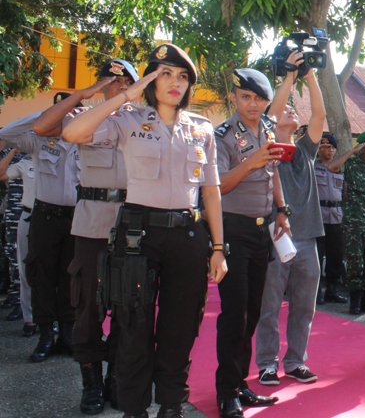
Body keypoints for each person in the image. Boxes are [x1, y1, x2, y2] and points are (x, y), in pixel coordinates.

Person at [62, 43, 228, 418]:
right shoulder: (127, 120)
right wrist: (126, 94)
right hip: (137, 234)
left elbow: (211, 191)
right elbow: (73, 133)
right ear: (151, 79)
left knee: (180, 327)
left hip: (187, 235)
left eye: (183, 76)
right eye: (165, 73)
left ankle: (171, 406)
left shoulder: (200, 128)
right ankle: (134, 409)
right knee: (133, 328)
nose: (175, 83)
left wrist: (218, 247)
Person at [32, 59, 139, 414]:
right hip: (92, 227)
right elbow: (42, 126)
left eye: (126, 81)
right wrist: (85, 94)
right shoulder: (83, 120)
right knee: (88, 308)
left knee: (128, 308)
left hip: (132, 228)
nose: (117, 86)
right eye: (110, 80)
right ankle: (91, 384)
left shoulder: (143, 121)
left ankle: (114, 379)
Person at [213, 68, 289, 417]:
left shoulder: (269, 131)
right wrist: (251, 162)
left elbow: (272, 175)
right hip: (232, 230)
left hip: (262, 231)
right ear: (235, 98)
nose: (253, 104)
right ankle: (226, 391)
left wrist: (282, 211)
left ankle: (240, 382)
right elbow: (217, 187)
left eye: (259, 98)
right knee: (235, 313)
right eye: (246, 97)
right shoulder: (223, 135)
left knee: (253, 311)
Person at [256, 49, 326, 387]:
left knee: (304, 307)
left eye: (293, 109)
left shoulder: (307, 150)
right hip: (275, 236)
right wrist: (288, 76)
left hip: (308, 238)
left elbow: (320, 115)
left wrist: (310, 75)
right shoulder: (266, 146)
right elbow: (269, 116)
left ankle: (296, 361)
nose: (290, 111)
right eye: (285, 109)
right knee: (269, 305)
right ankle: (267, 363)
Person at [0, 97, 80, 363]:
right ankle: (46, 334)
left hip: (75, 218)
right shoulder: (38, 140)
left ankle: (67, 333)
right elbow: (6, 134)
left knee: (71, 277)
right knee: (41, 275)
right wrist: (42, 114)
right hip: (44, 216)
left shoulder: (86, 138)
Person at [329, 131, 365, 314]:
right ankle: (355, 301)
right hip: (354, 223)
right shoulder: (351, 164)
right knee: (355, 262)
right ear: (362, 146)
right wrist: (352, 151)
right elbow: (332, 167)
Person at [0, 149, 34, 335]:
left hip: (48, 214)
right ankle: (23, 309)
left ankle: (48, 318)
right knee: (18, 263)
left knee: (47, 269)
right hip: (20, 212)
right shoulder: (19, 157)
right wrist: (12, 148)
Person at [314, 134, 348, 306]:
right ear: (319, 149)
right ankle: (317, 290)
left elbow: (345, 195)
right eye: (325, 147)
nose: (329, 150)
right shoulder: (313, 168)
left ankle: (332, 290)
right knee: (317, 256)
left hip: (336, 217)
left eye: (332, 147)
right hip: (318, 216)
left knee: (335, 255)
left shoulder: (341, 170)